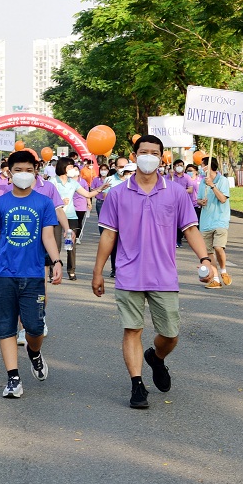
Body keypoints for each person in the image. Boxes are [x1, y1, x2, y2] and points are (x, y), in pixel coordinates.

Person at [92, 135, 218, 409]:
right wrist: (98, 271)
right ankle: (137, 385)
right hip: (128, 274)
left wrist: (205, 258)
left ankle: (157, 358)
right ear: (135, 155)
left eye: (154, 152)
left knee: (170, 335)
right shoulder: (117, 194)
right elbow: (108, 236)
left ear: (162, 158)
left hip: (164, 276)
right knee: (132, 330)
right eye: (143, 152)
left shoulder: (174, 192)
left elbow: (190, 229)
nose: (148, 156)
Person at [0, 150, 63, 399]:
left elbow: (47, 235)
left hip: (33, 274)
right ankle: (13, 378)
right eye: (18, 170)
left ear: (36, 172)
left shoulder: (43, 203)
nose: (24, 175)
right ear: (9, 172)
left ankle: (34, 352)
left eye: (29, 170)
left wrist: (57, 260)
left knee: (35, 328)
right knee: (5, 327)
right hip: (5, 274)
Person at [53, 157, 104, 281]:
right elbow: (47, 198)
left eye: (73, 167)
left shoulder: (73, 183)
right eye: (70, 167)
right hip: (56, 217)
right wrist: (59, 201)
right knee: (56, 245)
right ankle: (53, 268)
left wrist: (100, 189)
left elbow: (87, 194)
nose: (73, 170)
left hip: (71, 217)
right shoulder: (53, 181)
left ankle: (71, 271)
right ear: (62, 167)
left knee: (70, 244)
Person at [197, 157, 231, 289]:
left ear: (208, 166)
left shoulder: (222, 181)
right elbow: (198, 200)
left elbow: (223, 199)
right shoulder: (202, 182)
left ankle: (223, 270)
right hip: (206, 221)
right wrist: (201, 202)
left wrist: (212, 185)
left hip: (220, 220)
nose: (201, 168)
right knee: (208, 251)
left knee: (218, 247)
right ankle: (215, 278)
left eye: (202, 165)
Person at [102, 156, 132, 279]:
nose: (123, 169)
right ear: (115, 167)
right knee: (114, 243)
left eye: (125, 167)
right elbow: (105, 197)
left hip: (130, 218)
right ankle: (115, 268)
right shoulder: (110, 180)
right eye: (120, 167)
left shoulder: (133, 179)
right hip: (115, 217)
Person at [169, 159, 195, 248]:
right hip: (172, 202)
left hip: (183, 202)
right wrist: (169, 177)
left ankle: (179, 240)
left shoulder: (187, 177)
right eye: (177, 165)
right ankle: (173, 240)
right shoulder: (170, 177)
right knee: (173, 222)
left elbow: (190, 190)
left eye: (181, 165)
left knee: (181, 222)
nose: (179, 167)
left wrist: (179, 191)